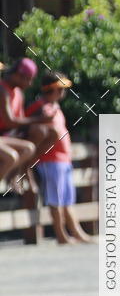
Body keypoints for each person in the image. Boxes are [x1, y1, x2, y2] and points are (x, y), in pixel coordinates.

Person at [25, 72, 91, 244]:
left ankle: (77, 233)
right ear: (50, 89)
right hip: (50, 160)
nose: (63, 92)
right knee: (56, 200)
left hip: (63, 160)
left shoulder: (55, 107)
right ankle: (61, 235)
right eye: (59, 89)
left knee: (67, 199)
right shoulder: (40, 108)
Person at [0, 58, 56, 193]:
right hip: (3, 136)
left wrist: (41, 122)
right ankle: (14, 172)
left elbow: (19, 122)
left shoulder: (19, 93)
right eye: (28, 79)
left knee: (48, 133)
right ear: (18, 75)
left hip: (8, 136)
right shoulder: (2, 89)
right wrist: (40, 119)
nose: (30, 84)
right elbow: (10, 121)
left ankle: (22, 169)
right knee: (12, 156)